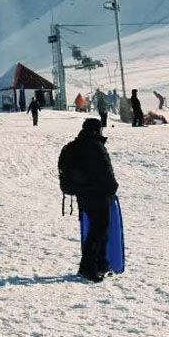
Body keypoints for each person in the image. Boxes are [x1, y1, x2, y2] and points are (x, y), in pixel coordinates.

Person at [58, 118, 119, 282]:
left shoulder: (75, 146)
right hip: (98, 195)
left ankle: (101, 264)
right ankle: (88, 268)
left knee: (96, 230)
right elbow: (105, 170)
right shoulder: (95, 146)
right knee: (99, 231)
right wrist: (113, 188)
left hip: (83, 195)